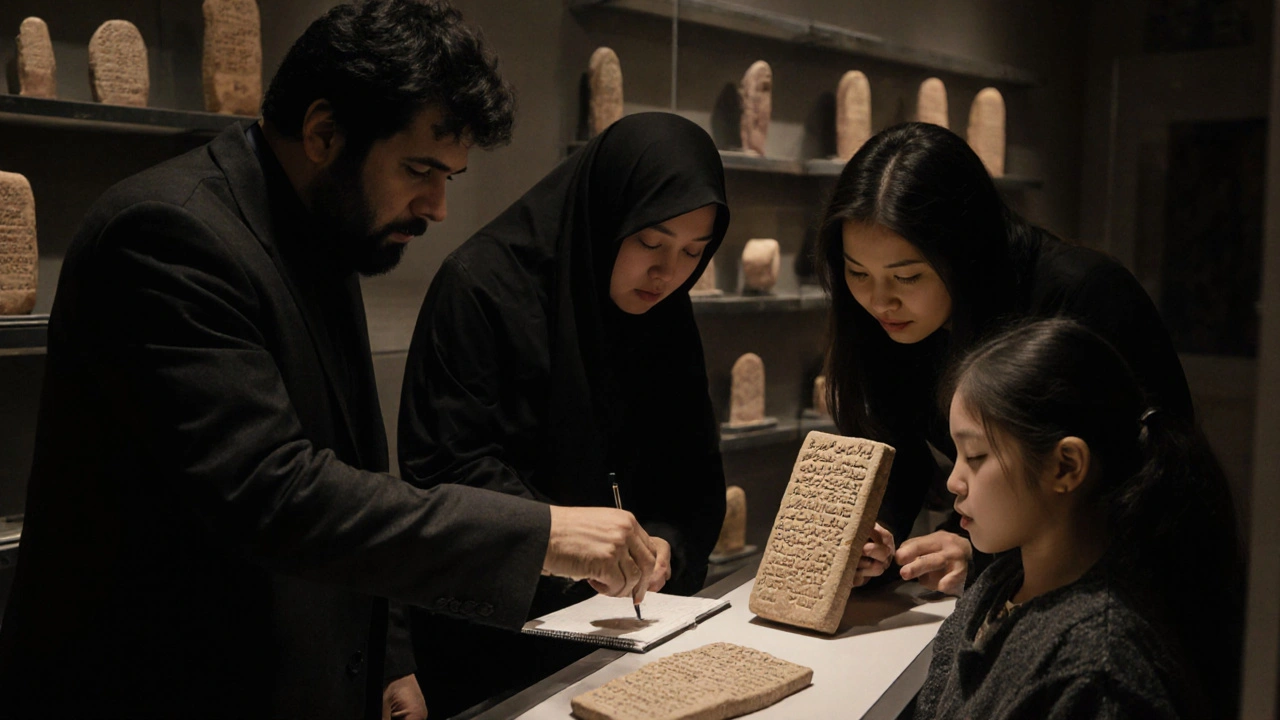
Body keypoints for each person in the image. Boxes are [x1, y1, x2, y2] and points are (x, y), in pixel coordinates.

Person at [0, 3, 660, 718]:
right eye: (420, 168)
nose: (438, 206)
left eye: (451, 177)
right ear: (323, 132)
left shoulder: (320, 225)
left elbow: (356, 467)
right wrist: (546, 533)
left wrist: (392, 656)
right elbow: (274, 490)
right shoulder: (168, 235)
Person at [397, 111, 730, 715]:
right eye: (651, 243)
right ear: (607, 216)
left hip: (628, 634)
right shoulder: (481, 288)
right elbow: (449, 469)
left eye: (692, 253)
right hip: (496, 640)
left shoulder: (666, 309)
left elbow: (692, 469)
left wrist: (665, 547)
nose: (667, 272)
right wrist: (568, 545)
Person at [814, 122, 1195, 594]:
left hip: (1120, 586)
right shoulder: (886, 322)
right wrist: (875, 539)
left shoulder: (1082, 297)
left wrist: (985, 552)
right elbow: (896, 452)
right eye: (857, 272)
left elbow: (1149, 481)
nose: (879, 301)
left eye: (907, 277)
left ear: (963, 252)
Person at [913, 317, 1244, 719]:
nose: (953, 482)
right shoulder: (997, 588)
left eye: (976, 456)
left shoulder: (1098, 670)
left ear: (1066, 466)